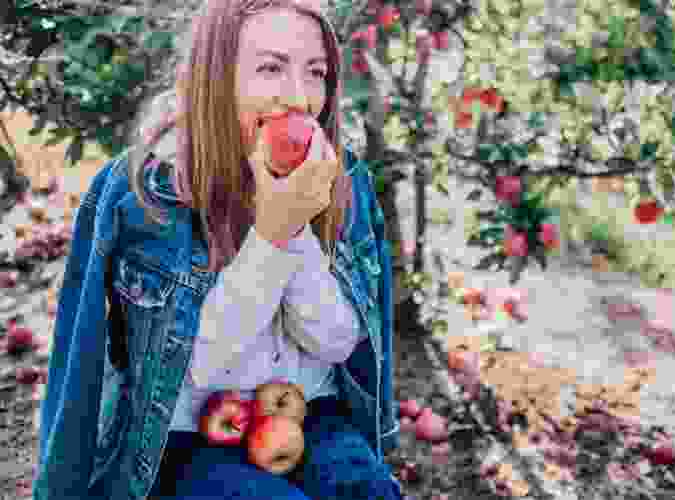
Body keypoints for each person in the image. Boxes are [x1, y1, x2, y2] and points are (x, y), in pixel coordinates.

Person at [32, 0, 401, 499]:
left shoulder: (339, 178)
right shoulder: (148, 192)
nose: (298, 97)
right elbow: (195, 367)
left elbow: (336, 344)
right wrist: (271, 234)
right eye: (271, 68)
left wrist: (296, 228)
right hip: (188, 436)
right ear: (216, 76)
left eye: (315, 72)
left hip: (305, 412)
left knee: (372, 490)